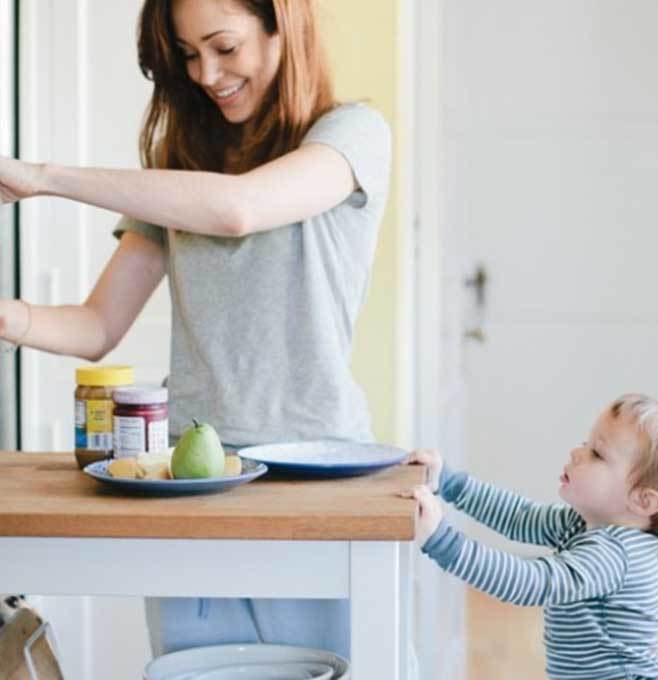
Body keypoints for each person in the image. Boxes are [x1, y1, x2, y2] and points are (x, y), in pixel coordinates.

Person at [0, 0, 391, 660]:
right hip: (189, 477)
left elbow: (238, 211)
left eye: (224, 46)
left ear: (280, 28)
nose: (206, 72)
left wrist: (44, 178)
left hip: (316, 475)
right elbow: (97, 326)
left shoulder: (351, 134)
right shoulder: (178, 171)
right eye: (187, 55)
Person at [404, 393, 658, 680]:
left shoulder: (614, 554)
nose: (577, 452)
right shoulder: (583, 524)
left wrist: (442, 542)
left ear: (643, 500)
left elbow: (532, 582)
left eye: (598, 454)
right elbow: (519, 518)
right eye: (587, 444)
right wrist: (449, 483)